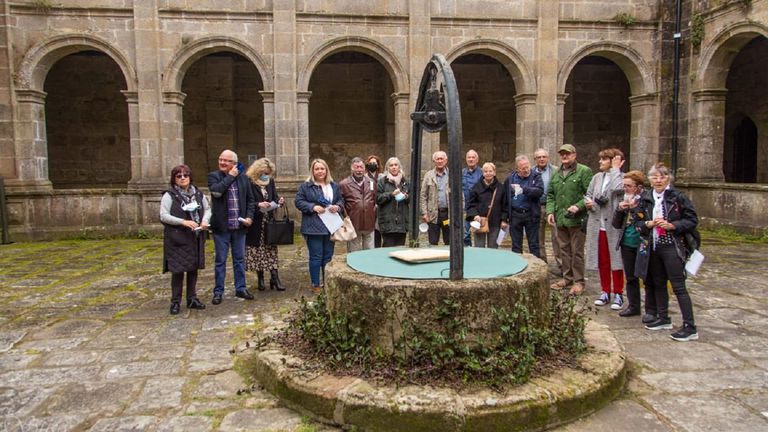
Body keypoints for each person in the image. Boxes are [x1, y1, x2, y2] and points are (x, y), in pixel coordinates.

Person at [636, 163, 699, 341]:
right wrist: (648, 224)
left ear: (668, 178)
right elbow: (637, 223)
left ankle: (690, 326)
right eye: (654, 177)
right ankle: (663, 318)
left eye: (662, 177)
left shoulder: (678, 197)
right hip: (653, 246)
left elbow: (692, 220)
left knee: (678, 286)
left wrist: (673, 225)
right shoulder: (646, 197)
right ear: (649, 179)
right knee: (658, 282)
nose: (658, 180)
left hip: (672, 245)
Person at [208, 150, 257, 305]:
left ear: (234, 164)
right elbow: (216, 192)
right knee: (220, 260)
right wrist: (230, 176)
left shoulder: (244, 179)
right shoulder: (214, 176)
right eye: (220, 159)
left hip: (239, 227)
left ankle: (241, 288)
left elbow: (250, 200)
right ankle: (218, 291)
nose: (222, 162)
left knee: (239, 260)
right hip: (221, 228)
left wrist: (250, 217)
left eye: (226, 161)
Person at [160, 165, 211, 315]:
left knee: (192, 269)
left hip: (195, 237)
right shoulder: (169, 195)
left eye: (185, 175)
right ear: (174, 178)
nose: (183, 178)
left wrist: (204, 221)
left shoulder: (198, 194)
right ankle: (175, 302)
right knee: (178, 271)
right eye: (179, 176)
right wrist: (183, 222)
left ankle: (192, 298)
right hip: (178, 238)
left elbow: (207, 209)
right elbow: (163, 215)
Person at [546, 144, 593, 295]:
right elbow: (551, 195)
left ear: (574, 155)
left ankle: (579, 281)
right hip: (561, 218)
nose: (564, 157)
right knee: (563, 250)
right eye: (562, 154)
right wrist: (550, 211)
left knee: (577, 251)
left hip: (577, 219)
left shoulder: (584, 171)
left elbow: (589, 194)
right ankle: (567, 278)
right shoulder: (556, 173)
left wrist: (579, 206)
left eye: (567, 154)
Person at [295, 158, 344, 292]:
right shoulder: (306, 186)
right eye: (317, 169)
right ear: (313, 171)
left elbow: (341, 199)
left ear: (326, 170)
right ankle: (315, 284)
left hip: (331, 226)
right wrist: (313, 207)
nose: (320, 171)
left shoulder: (334, 185)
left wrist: (337, 207)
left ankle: (327, 282)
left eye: (322, 168)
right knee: (316, 256)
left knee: (328, 257)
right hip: (313, 227)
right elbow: (298, 202)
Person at [585, 149, 626, 310]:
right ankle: (605, 291)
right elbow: (588, 194)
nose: (600, 162)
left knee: (616, 259)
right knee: (602, 260)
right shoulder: (596, 178)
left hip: (613, 226)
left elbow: (618, 190)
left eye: (604, 159)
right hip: (598, 224)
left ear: (613, 160)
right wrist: (590, 203)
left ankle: (618, 293)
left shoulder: (622, 177)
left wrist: (616, 169)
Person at [611, 170, 648, 319]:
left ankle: (652, 309)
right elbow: (616, 224)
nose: (625, 189)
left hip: (643, 242)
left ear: (638, 186)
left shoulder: (647, 199)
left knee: (647, 277)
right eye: (624, 185)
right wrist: (620, 210)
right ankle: (633, 306)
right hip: (626, 242)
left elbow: (648, 220)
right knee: (631, 276)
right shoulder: (625, 199)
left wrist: (635, 208)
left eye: (629, 186)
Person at [245, 158, 286, 291]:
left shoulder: (270, 181)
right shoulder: (249, 182)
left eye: (268, 173)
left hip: (269, 221)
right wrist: (258, 205)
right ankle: (260, 278)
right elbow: (246, 202)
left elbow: (274, 197)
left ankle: (275, 278)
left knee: (271, 250)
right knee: (258, 252)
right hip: (255, 223)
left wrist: (279, 201)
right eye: (263, 172)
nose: (266, 175)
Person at [501, 155, 544, 256]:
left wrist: (523, 189)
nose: (526, 170)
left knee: (533, 244)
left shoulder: (536, 176)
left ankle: (537, 266)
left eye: (527, 167)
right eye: (523, 168)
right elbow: (506, 199)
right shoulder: (510, 179)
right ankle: (518, 267)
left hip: (531, 214)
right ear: (517, 169)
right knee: (516, 245)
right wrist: (504, 218)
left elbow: (539, 191)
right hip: (515, 215)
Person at [340, 157, 376, 251]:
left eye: (361, 167)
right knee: (354, 252)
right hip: (353, 223)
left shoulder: (371, 182)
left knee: (370, 251)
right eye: (357, 167)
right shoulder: (344, 184)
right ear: (352, 168)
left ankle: (368, 265)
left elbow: (375, 199)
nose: (359, 170)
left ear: (364, 168)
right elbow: (341, 203)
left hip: (369, 221)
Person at [466, 162, 504, 248]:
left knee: (493, 249)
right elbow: (471, 204)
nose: (488, 173)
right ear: (483, 173)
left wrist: (504, 219)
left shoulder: (500, 187)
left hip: (495, 222)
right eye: (486, 171)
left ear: (494, 172)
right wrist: (474, 215)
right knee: (479, 248)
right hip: (480, 222)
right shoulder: (476, 187)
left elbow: (504, 204)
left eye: (490, 171)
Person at [533, 148, 560, 266]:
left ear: (548, 158)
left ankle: (561, 264)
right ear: (535, 159)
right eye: (539, 157)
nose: (541, 159)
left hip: (552, 207)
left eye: (544, 157)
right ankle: (542, 263)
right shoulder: (531, 171)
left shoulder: (556, 171)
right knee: (538, 238)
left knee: (557, 237)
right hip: (536, 206)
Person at [377, 157, 410, 247]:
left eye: (396, 165)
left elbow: (411, 199)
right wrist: (391, 194)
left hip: (402, 223)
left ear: (399, 167)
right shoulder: (382, 182)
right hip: (387, 222)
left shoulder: (405, 182)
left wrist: (406, 197)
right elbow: (378, 199)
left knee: (400, 250)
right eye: (391, 165)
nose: (394, 167)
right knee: (387, 250)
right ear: (388, 168)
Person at [421, 150, 450, 245]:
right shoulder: (428, 175)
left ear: (446, 160)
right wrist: (425, 213)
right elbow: (423, 195)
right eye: (437, 159)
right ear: (434, 161)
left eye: (442, 159)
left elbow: (460, 196)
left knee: (449, 241)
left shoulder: (452, 175)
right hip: (433, 215)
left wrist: (458, 213)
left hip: (448, 215)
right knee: (433, 242)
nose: (440, 161)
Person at [462, 150, 482, 246]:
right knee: (465, 234)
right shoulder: (462, 173)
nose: (471, 159)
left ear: (477, 159)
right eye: (469, 157)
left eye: (473, 157)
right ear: (466, 159)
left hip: (478, 209)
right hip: (465, 209)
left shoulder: (482, 173)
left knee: (479, 234)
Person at [365, 154, 384, 247]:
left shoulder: (382, 177)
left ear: (378, 165)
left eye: (375, 163)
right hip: (369, 207)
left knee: (378, 231)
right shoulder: (364, 177)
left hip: (381, 206)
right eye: (370, 163)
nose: (372, 164)